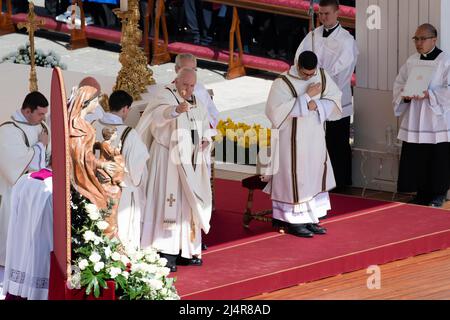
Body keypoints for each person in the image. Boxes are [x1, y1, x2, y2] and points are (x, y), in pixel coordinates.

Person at [137, 68, 213, 272]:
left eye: (191, 86)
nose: (188, 90)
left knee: (187, 205)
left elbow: (204, 124)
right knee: (168, 202)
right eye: (185, 85)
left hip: (190, 160)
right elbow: (156, 118)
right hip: (167, 159)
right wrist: (175, 111)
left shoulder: (197, 100)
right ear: (176, 81)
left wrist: (206, 140)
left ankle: (185, 250)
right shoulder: (165, 94)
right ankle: (165, 251)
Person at [264, 50, 342, 237]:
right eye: (306, 74)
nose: (310, 76)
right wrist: (306, 98)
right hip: (291, 140)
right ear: (297, 66)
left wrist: (318, 105)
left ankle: (311, 217)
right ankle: (293, 220)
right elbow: (274, 112)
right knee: (296, 177)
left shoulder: (321, 75)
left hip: (314, 136)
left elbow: (334, 98)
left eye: (312, 73)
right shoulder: (282, 83)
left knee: (312, 175)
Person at [295, 0, 358, 190]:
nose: (323, 17)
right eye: (320, 14)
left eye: (327, 14)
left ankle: (340, 182)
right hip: (313, 95)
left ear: (337, 12)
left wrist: (321, 84)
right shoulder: (312, 36)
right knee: (316, 138)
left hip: (333, 96)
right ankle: (318, 180)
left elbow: (344, 70)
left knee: (337, 140)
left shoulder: (347, 40)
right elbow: (300, 58)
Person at [393, 23, 450, 208]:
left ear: (434, 39)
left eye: (422, 39)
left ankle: (438, 194)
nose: (418, 43)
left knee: (437, 157)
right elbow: (399, 83)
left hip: (435, 118)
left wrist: (429, 94)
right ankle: (421, 193)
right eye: (416, 39)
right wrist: (405, 94)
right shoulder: (411, 61)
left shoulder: (445, 61)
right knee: (418, 156)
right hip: (416, 116)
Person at [0, 91, 50, 290]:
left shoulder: (41, 126)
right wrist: (41, 145)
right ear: (27, 111)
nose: (43, 118)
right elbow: (17, 164)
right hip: (15, 192)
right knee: (12, 235)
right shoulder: (7, 131)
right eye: (39, 114)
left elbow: (44, 160)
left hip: (36, 194)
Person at [92, 90, 149, 250]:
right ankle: (119, 257)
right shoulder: (129, 133)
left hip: (95, 184)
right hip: (120, 190)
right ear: (125, 109)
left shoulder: (94, 126)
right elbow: (138, 164)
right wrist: (136, 182)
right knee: (121, 224)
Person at [2, 168, 53, 300]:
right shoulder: (51, 187)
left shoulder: (25, 181)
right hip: (41, 247)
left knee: (23, 243)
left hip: (21, 246)